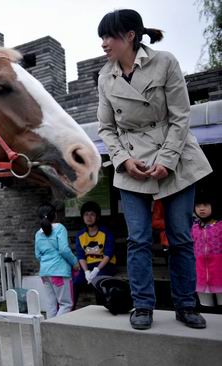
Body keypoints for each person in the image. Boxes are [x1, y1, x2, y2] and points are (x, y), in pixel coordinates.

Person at [97, 9, 212, 330]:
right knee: (137, 239)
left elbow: (181, 115)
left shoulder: (165, 62)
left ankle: (186, 305)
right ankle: (143, 305)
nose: (104, 43)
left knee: (179, 238)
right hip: (131, 163)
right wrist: (122, 160)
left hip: (175, 158)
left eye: (109, 36)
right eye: (101, 37)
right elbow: (106, 129)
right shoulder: (105, 77)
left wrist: (167, 159)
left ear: (130, 36)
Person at [34, 203, 79, 319]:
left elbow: (37, 255)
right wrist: (75, 262)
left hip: (45, 273)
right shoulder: (60, 228)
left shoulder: (38, 233)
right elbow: (64, 249)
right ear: (55, 215)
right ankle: (56, 329)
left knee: (51, 305)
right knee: (66, 304)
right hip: (59, 272)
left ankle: (49, 332)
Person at [73, 201, 116, 308]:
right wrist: (86, 271)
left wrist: (96, 270)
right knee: (76, 283)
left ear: (97, 217)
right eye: (86, 214)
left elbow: (108, 254)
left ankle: (101, 310)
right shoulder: (80, 235)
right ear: (82, 217)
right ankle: (70, 310)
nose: (89, 217)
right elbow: (81, 256)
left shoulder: (106, 233)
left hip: (105, 265)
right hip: (88, 266)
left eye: (92, 214)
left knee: (98, 282)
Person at [192, 192, 222, 308]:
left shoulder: (220, 226)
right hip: (200, 276)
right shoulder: (193, 228)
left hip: (219, 274)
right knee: (205, 306)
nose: (202, 209)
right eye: (198, 206)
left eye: (205, 205)